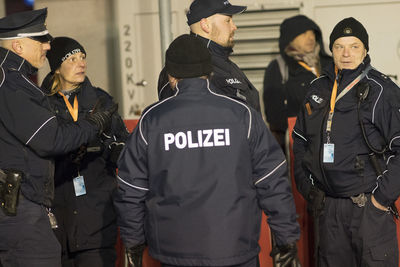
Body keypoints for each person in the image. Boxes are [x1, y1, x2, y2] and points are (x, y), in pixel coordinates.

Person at [114, 34, 301, 267]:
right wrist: (286, 240)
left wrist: (132, 244)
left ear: (171, 76)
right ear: (209, 72)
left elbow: (131, 188)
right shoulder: (243, 115)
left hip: (175, 251)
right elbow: (273, 182)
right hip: (235, 247)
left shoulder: (151, 121)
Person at [0, 9, 116, 267]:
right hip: (20, 206)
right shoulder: (10, 81)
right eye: (40, 40)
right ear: (18, 45)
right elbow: (51, 139)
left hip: (35, 206)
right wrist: (93, 124)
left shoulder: (98, 98)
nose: (47, 45)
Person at [293, 17, 400, 266]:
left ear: (365, 50)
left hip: (368, 208)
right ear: (331, 50)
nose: (346, 53)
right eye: (339, 46)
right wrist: (309, 190)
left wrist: (380, 200)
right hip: (328, 209)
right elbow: (299, 142)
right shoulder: (317, 89)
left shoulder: (382, 91)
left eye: (354, 46)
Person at [40, 37, 129, 267]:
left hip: (97, 220)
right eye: (72, 59)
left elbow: (123, 148)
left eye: (83, 58)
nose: (81, 64)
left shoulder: (101, 101)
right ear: (57, 67)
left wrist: (116, 146)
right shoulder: (42, 105)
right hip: (57, 221)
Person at [157, 0, 261, 113]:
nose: (234, 27)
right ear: (205, 25)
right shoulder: (184, 66)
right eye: (228, 20)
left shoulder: (225, 64)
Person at [263, 15, 331, 150]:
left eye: (313, 32)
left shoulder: (330, 63)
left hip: (333, 138)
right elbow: (273, 114)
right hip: (299, 143)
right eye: (304, 33)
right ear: (290, 38)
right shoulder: (278, 67)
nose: (310, 37)